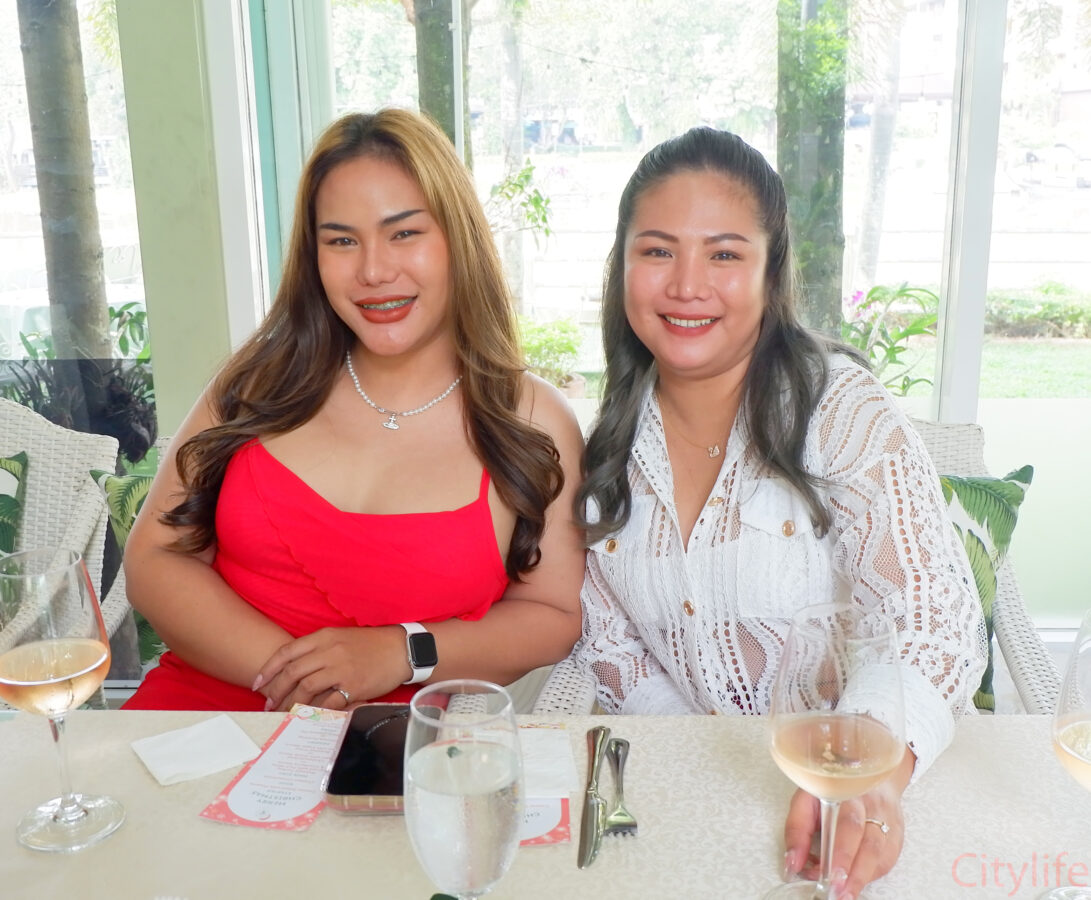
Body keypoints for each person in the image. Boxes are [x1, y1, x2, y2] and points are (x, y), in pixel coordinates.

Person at [572, 127, 987, 899]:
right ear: (621, 266)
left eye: (723, 254)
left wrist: (863, 769)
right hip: (694, 815)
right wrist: (714, 777)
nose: (686, 285)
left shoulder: (839, 409)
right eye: (657, 251)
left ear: (770, 272)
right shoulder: (602, 450)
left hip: (863, 812)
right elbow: (609, 645)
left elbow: (933, 620)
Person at [123, 108, 585, 713]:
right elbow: (154, 560)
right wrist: (312, 681)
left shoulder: (532, 418)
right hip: (194, 723)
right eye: (341, 240)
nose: (373, 271)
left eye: (404, 233)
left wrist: (401, 652)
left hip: (390, 741)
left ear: (458, 239)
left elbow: (551, 615)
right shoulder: (255, 383)